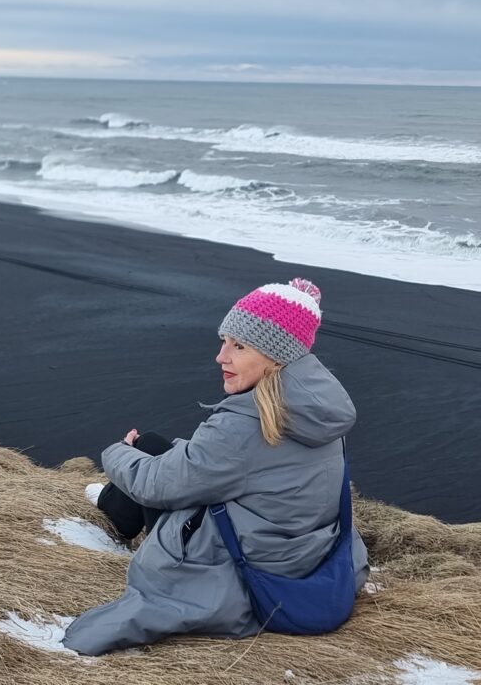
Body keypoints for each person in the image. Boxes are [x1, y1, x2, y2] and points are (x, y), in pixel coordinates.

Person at [61, 278, 370, 656]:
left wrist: (117, 452)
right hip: (301, 557)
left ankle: (115, 510)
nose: (221, 357)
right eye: (224, 341)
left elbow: (155, 484)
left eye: (239, 346)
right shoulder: (318, 410)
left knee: (145, 454)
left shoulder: (242, 426)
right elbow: (241, 466)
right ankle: (115, 508)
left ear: (275, 355)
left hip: (248, 576)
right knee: (158, 447)